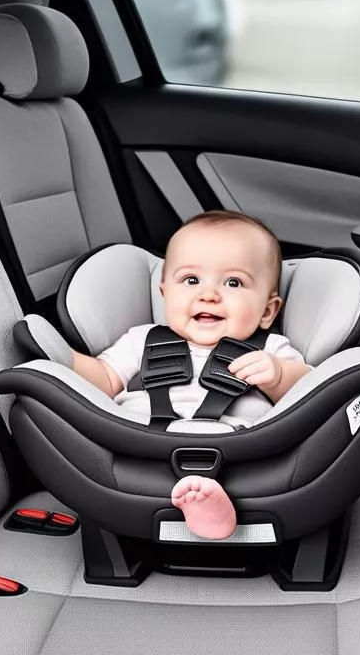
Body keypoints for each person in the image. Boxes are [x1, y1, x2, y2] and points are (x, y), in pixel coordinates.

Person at [66, 210, 311, 539]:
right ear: (165, 294)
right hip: (143, 446)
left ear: (267, 311)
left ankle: (208, 501)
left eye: (233, 282)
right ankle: (197, 499)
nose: (208, 294)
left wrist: (279, 375)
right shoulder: (144, 339)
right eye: (191, 280)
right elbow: (105, 379)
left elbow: (312, 394)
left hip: (236, 452)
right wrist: (63, 358)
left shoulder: (270, 348)